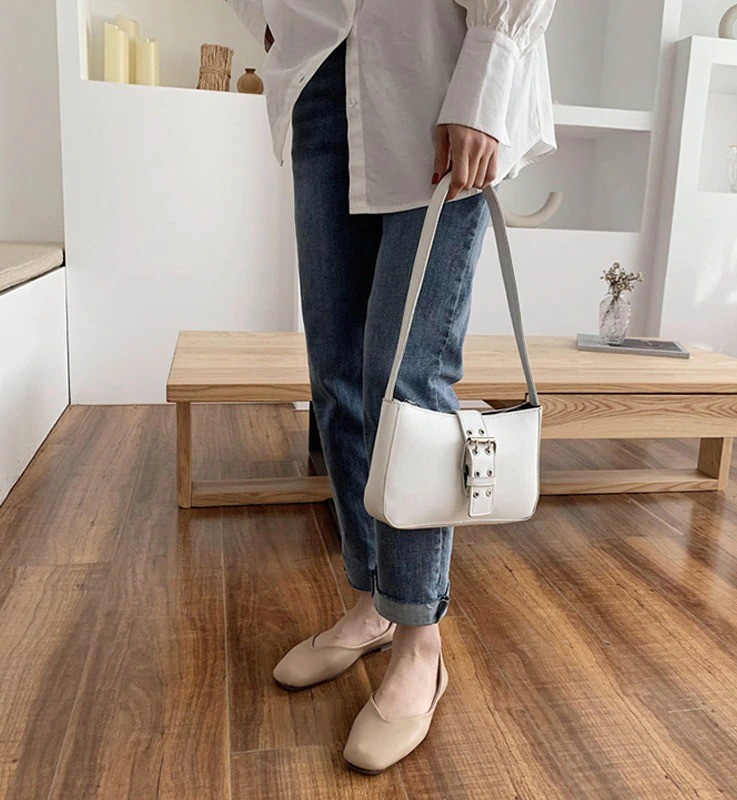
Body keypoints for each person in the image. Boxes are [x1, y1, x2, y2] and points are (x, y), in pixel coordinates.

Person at [226, 0, 557, 774]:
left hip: (439, 61)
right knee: (336, 375)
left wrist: (485, 78)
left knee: (407, 378)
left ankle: (419, 640)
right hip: (319, 72)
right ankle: (374, 602)